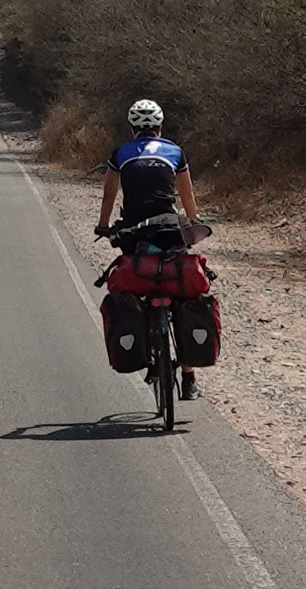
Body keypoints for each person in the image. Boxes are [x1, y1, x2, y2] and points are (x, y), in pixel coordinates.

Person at [94, 98, 203, 399]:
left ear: (132, 128)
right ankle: (190, 376)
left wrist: (103, 225)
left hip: (134, 231)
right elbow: (187, 193)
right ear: (160, 127)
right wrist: (192, 222)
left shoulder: (120, 154)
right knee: (180, 291)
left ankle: (149, 355)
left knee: (138, 284)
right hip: (170, 227)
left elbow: (109, 193)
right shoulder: (175, 152)